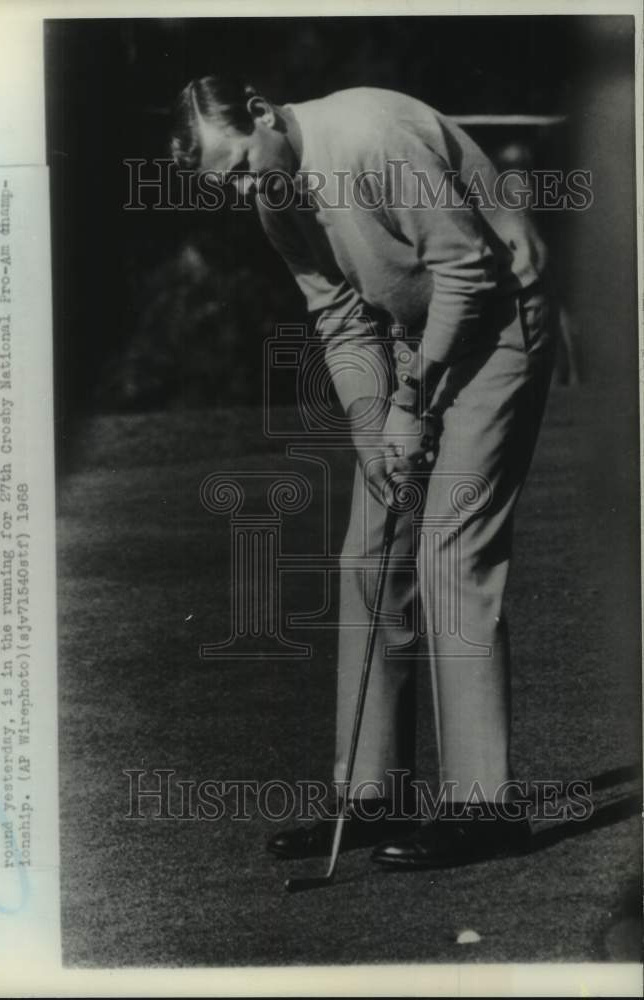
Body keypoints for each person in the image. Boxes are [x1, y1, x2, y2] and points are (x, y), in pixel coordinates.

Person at [170, 78, 557, 869]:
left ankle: (483, 808)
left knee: (450, 549)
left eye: (242, 165)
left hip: (498, 328)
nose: (247, 189)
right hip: (418, 340)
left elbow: (467, 269)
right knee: (368, 556)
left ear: (263, 114)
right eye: (229, 184)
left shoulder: (371, 136)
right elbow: (340, 317)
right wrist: (372, 424)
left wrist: (414, 401)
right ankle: (374, 796)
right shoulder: (275, 194)